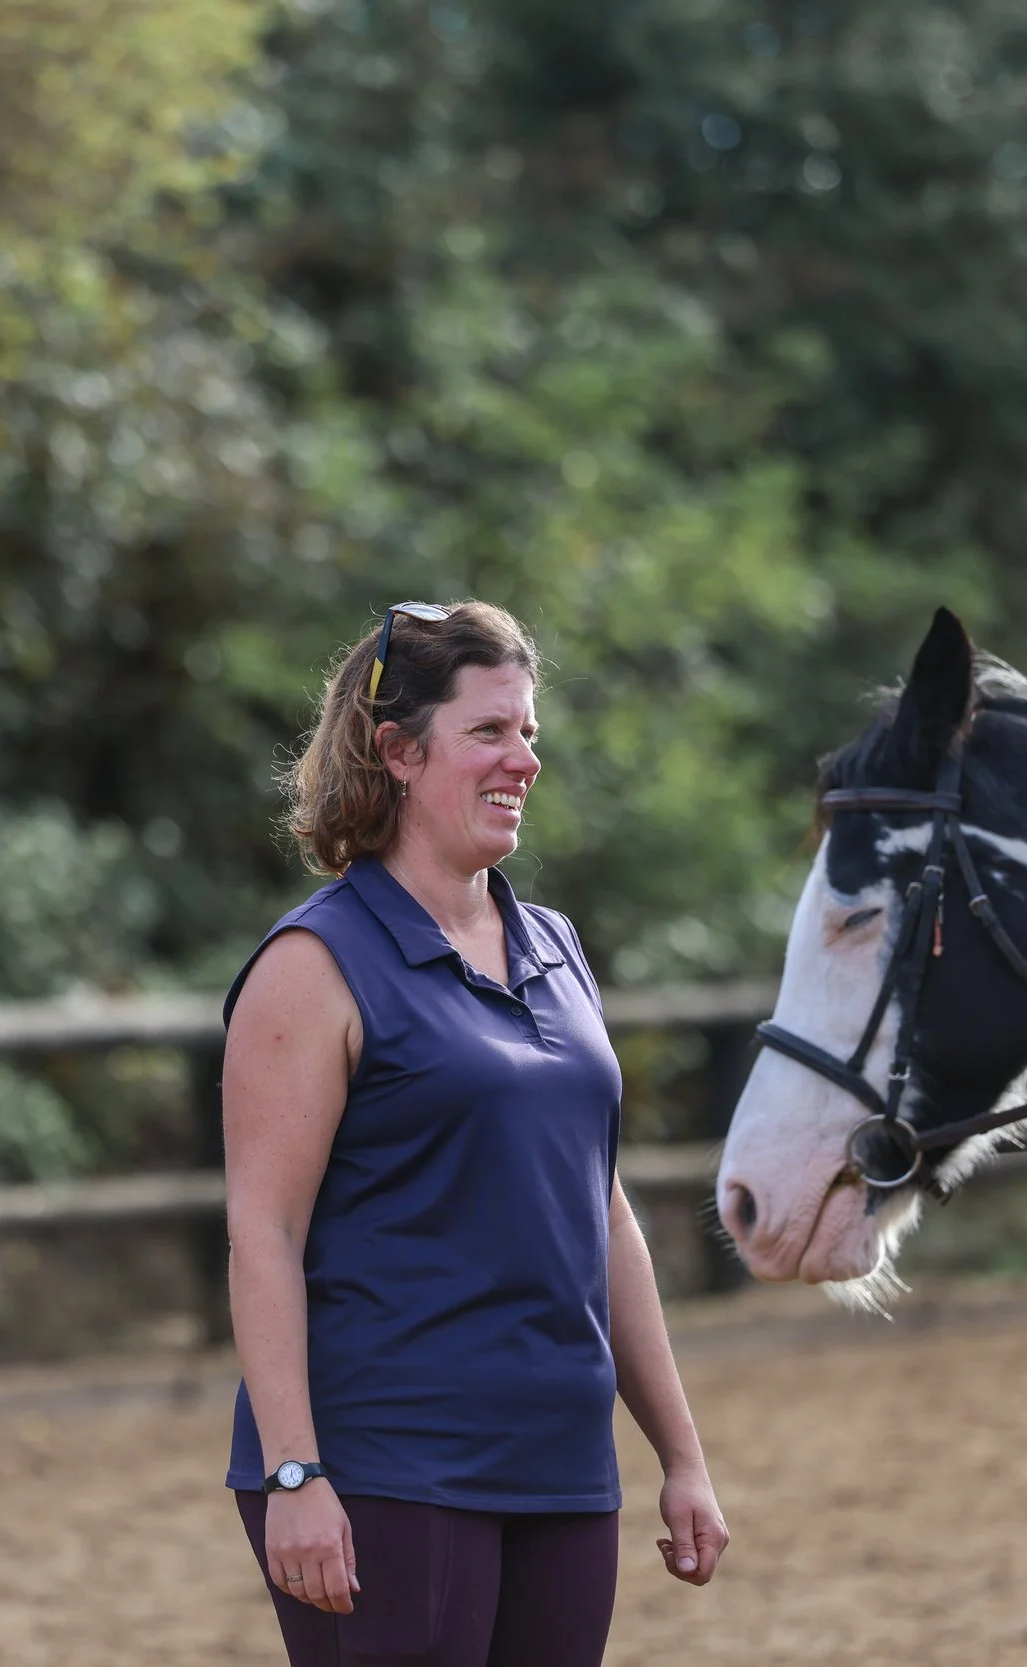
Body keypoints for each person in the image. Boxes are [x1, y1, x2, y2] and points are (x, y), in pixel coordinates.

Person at [221, 601, 729, 1666]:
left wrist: (679, 1453)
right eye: (490, 732)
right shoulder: (313, 965)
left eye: (530, 730)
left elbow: (599, 1207)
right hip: (387, 1460)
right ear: (399, 753)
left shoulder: (553, 942)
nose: (525, 758)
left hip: (561, 1460)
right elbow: (262, 1229)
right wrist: (294, 1473)